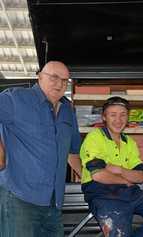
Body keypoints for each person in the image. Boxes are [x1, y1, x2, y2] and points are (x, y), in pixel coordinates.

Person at [0, 61, 82, 237]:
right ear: (39, 76)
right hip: (20, 199)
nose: (59, 84)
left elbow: (73, 152)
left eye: (65, 80)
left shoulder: (68, 110)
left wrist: (94, 181)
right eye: (54, 77)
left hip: (53, 203)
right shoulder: (15, 98)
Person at [80, 96, 143, 237]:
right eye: (113, 115)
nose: (118, 120)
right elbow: (99, 175)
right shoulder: (95, 137)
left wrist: (119, 169)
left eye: (123, 115)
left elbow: (140, 176)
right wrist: (126, 180)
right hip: (104, 196)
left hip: (130, 193)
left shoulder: (129, 142)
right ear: (104, 117)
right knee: (119, 232)